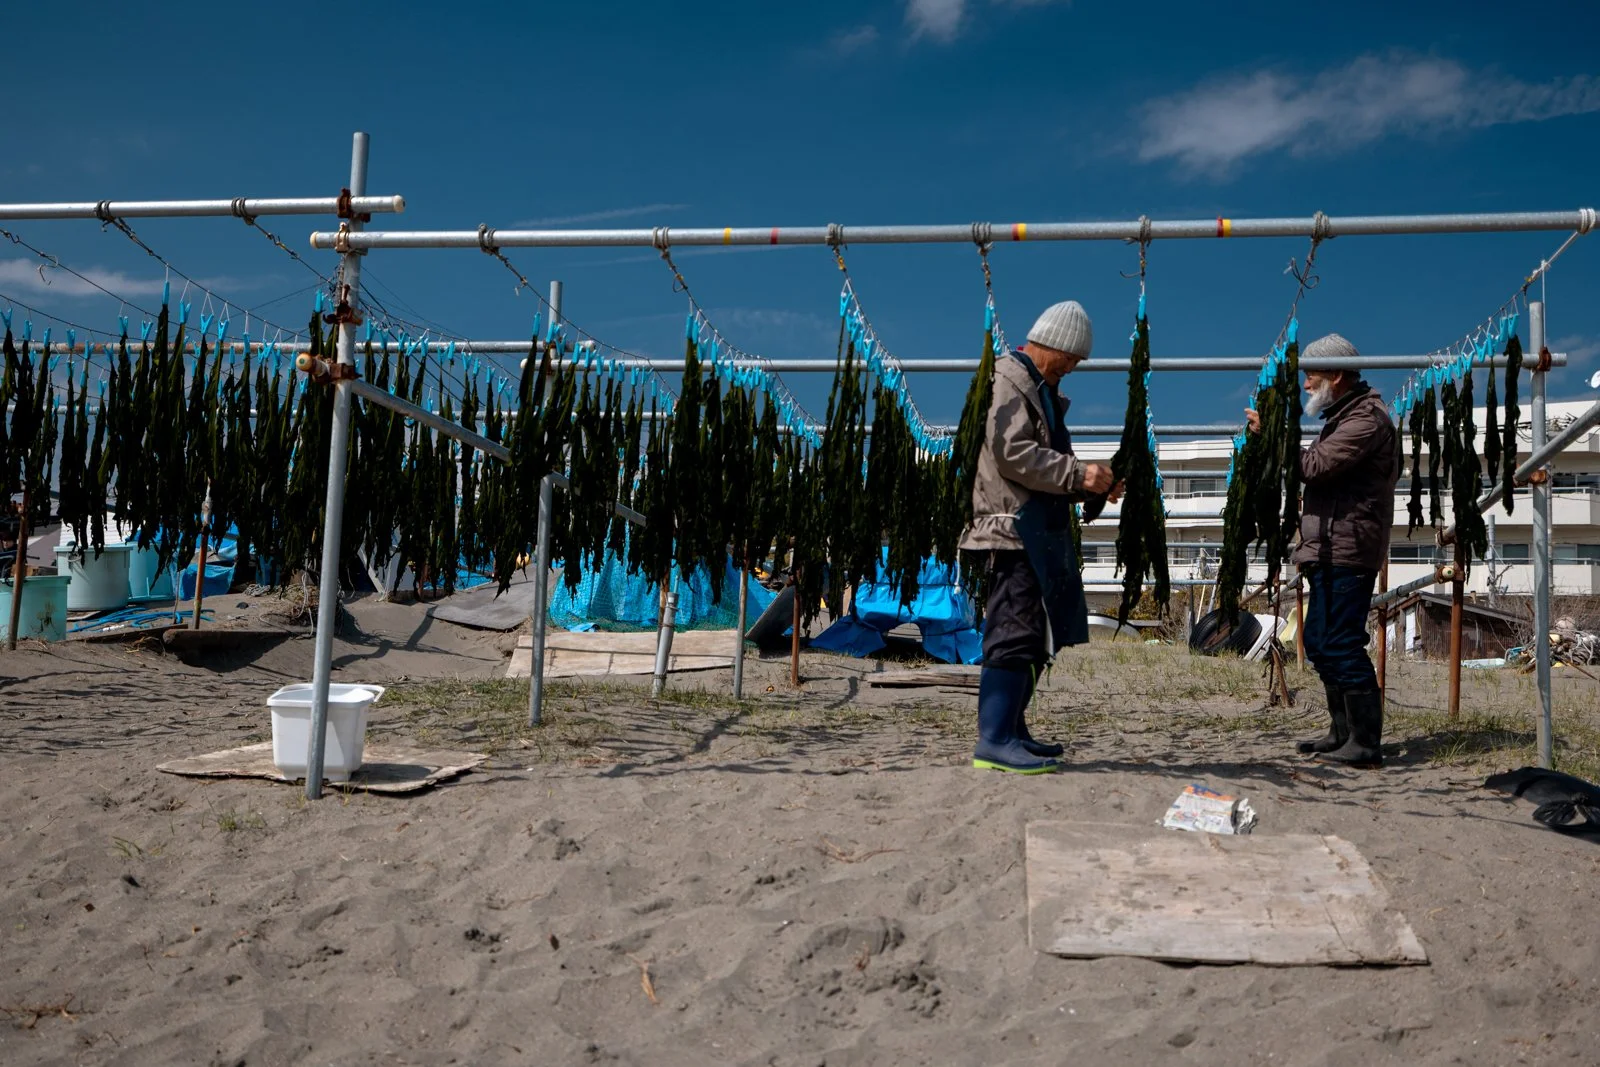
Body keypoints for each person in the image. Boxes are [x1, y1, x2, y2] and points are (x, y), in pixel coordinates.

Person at [959, 300, 1121, 774]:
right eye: (1069, 359)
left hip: (1033, 531)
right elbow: (1012, 453)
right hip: (1010, 529)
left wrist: (1091, 485)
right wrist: (1077, 473)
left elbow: (1040, 467)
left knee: (1033, 635)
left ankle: (1013, 728)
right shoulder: (1008, 380)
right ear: (1050, 344)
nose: (1071, 369)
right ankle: (994, 740)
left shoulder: (1039, 387)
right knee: (1012, 632)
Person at [1246, 333, 1399, 768]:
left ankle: (1365, 744)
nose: (1306, 384)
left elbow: (1313, 467)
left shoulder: (1366, 420)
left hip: (1349, 549)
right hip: (1330, 548)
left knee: (1341, 643)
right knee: (1317, 641)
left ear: (1337, 375)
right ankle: (1341, 732)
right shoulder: (1343, 417)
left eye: (1312, 375)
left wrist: (1273, 435)